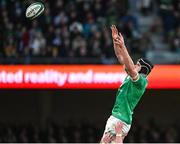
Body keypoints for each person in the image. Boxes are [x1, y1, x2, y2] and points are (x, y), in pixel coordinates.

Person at [100, 25, 154, 143]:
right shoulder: (132, 76)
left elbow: (130, 68)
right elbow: (120, 57)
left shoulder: (141, 82)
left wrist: (123, 45)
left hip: (120, 119)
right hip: (119, 117)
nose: (134, 64)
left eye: (137, 64)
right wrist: (116, 42)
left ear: (143, 68)